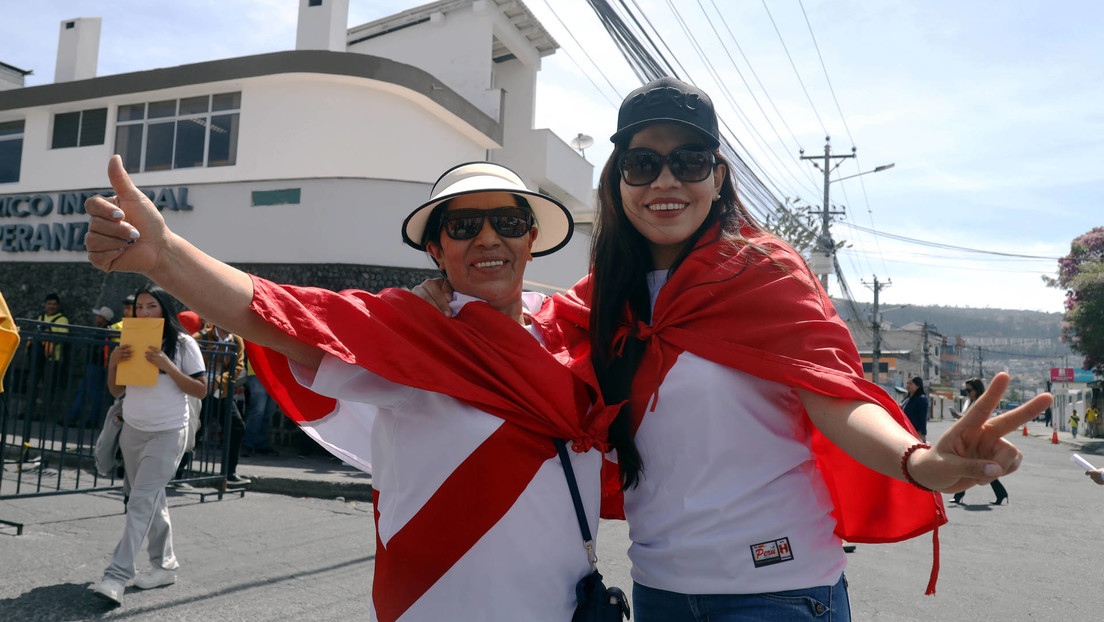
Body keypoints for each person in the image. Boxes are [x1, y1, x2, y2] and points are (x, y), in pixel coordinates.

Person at [540, 77, 1050, 619]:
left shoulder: (764, 271)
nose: (665, 181)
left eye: (688, 162)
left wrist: (918, 461)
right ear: (618, 181)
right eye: (642, 164)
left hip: (779, 591)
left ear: (717, 178)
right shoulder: (599, 303)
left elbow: (833, 395)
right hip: (658, 589)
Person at [84, 156, 617, 621]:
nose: (487, 237)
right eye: (463, 225)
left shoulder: (576, 333)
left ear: (531, 238)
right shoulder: (414, 334)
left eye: (507, 221)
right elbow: (283, 313)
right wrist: (165, 255)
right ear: (436, 248)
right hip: (435, 607)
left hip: (566, 606)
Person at [92, 285, 207, 606]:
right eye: (139, 307)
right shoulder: (130, 337)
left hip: (168, 433)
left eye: (151, 306)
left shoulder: (183, 344)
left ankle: (116, 575)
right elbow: (117, 391)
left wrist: (168, 366)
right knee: (151, 500)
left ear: (164, 310)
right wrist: (114, 363)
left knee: (140, 501)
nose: (143, 313)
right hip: (132, 431)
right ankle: (164, 566)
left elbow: (200, 390)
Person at [192, 322, 249, 485]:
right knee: (194, 430)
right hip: (200, 391)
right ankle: (179, 473)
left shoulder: (237, 340)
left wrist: (218, 381)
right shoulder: (201, 337)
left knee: (236, 426)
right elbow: (191, 361)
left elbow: (237, 368)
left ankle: (229, 473)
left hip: (222, 392)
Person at [949, 378, 1010, 506]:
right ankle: (960, 495)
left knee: (973, 468)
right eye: (966, 390)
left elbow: (978, 421)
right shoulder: (974, 402)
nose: (967, 393)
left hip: (978, 440)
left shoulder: (982, 404)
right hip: (973, 439)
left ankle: (960, 495)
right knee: (974, 468)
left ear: (976, 390)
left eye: (969, 390)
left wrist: (960, 417)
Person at [63, 306, 114, 426]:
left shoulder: (105, 331)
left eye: (99, 316)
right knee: (84, 390)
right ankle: (75, 417)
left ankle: (90, 419)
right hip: (93, 364)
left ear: (104, 318)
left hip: (96, 364)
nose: (96, 318)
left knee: (93, 392)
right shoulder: (103, 330)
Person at [241, 356, 278, 456]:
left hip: (275, 373)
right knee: (258, 410)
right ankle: (248, 444)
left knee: (268, 411)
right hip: (257, 370)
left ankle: (260, 443)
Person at [903, 376, 930, 442]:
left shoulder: (921, 399)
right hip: (905, 430)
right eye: (907, 383)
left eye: (910, 384)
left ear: (918, 386)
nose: (908, 386)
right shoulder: (907, 399)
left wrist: (922, 433)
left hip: (915, 431)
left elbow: (922, 417)